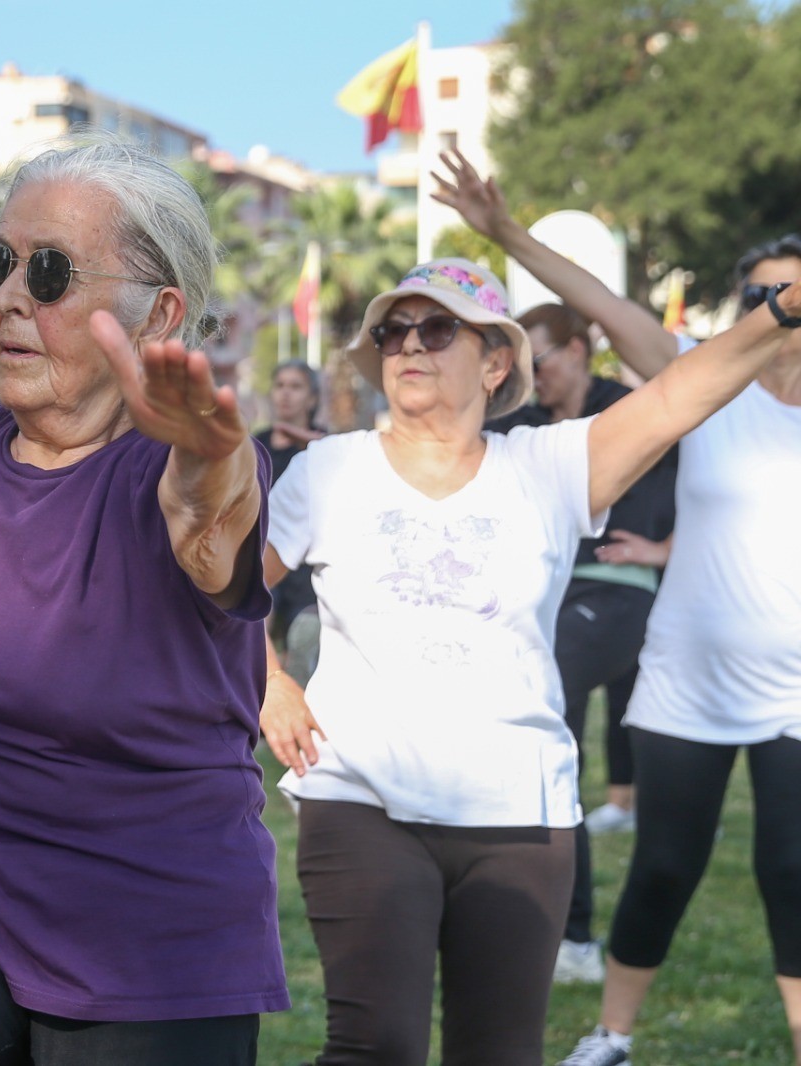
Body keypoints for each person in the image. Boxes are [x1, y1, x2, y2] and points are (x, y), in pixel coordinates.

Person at [259, 229, 801, 1062]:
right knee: (379, 1046)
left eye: (436, 330)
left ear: (493, 363)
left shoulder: (549, 465)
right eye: (393, 332)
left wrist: (782, 311)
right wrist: (266, 677)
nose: (409, 344)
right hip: (360, 794)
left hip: (519, 809)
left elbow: (680, 393)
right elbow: (221, 593)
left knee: (500, 1055)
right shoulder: (330, 469)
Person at [0, 132, 285, 1066]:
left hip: (147, 930)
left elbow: (208, 524)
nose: (10, 299)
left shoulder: (180, 470)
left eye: (54, 271)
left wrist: (209, 459)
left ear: (159, 313)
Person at [541, 229, 801, 1065]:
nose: (784, 308)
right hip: (690, 680)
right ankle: (613, 1035)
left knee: (793, 871)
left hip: (797, 689)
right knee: (661, 867)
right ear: (743, 306)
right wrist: (508, 231)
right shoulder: (703, 379)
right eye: (767, 294)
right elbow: (603, 309)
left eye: (796, 293)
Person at [480, 300, 678, 985]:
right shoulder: (522, 424)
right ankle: (519, 914)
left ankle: (578, 937)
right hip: (545, 593)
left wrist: (660, 549)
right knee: (532, 735)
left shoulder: (633, 408)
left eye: (543, 358)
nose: (533, 373)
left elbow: (720, 493)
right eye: (522, 362)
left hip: (618, 593)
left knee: (544, 712)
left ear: (580, 350)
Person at [254, 360, 324, 685]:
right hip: (262, 560)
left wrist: (308, 441)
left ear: (312, 398)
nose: (286, 394)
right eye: (280, 385)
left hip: (307, 571)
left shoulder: (327, 449)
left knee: (306, 639)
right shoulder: (255, 446)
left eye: (296, 387)